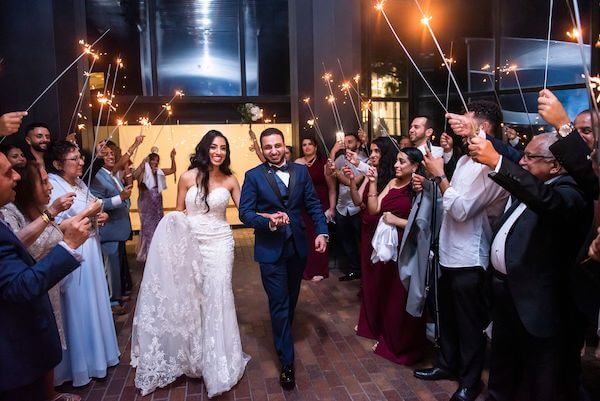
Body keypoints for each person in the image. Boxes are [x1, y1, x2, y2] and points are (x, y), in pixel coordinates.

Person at [467, 128, 592, 401]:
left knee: (542, 380)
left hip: (538, 306)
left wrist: (497, 163)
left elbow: (547, 202)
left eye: (529, 157)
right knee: (502, 367)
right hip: (507, 294)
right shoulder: (538, 182)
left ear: (555, 165)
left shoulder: (570, 193)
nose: (522, 162)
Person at [131, 130, 249, 397]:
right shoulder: (186, 177)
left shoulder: (231, 179)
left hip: (220, 243)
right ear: (205, 148)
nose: (219, 152)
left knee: (218, 295)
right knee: (194, 298)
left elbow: (245, 210)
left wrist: (265, 214)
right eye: (214, 147)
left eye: (223, 148)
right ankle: (196, 354)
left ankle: (220, 360)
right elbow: (178, 213)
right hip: (192, 243)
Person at [413, 101, 509, 401]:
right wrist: (434, 177)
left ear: (485, 128)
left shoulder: (491, 165)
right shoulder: (467, 159)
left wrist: (440, 176)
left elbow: (462, 209)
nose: (458, 126)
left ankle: (470, 382)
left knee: (470, 325)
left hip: (470, 256)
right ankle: (447, 364)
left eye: (466, 121)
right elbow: (450, 199)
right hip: (448, 251)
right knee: (448, 318)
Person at [239, 127, 328, 390]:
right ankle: (287, 362)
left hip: (298, 247)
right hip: (270, 250)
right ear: (263, 149)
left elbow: (312, 204)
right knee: (278, 303)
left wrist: (322, 231)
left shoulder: (300, 172)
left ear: (284, 146)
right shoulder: (253, 176)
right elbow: (245, 213)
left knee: (290, 300)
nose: (273, 151)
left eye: (277, 145)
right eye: (268, 147)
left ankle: (283, 331)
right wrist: (268, 221)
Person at [0, 152, 90, 401]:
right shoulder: (13, 215)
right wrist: (68, 245)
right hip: (14, 340)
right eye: (8, 173)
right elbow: (18, 285)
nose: (16, 176)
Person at [46, 141, 120, 387]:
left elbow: (90, 213)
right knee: (78, 304)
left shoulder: (79, 183)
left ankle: (99, 356)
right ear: (58, 164)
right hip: (73, 249)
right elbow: (53, 225)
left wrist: (101, 216)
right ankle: (79, 365)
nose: (81, 163)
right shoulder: (53, 184)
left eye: (80, 158)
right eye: (74, 159)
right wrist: (88, 212)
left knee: (95, 301)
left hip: (91, 245)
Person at [365, 146, 427, 365]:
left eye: (402, 162)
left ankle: (400, 344)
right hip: (387, 247)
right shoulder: (392, 183)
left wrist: (397, 221)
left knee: (400, 297)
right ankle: (386, 336)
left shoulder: (420, 188)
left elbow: (425, 225)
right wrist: (372, 182)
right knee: (386, 292)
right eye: (397, 161)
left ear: (416, 166)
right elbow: (374, 209)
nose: (396, 165)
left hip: (406, 247)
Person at [343, 137, 398, 342]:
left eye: (377, 152)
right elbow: (359, 202)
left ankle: (379, 324)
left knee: (380, 278)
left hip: (380, 231)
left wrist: (359, 164)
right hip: (366, 228)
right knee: (368, 278)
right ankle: (370, 321)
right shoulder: (370, 174)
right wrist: (351, 180)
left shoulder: (391, 178)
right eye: (372, 151)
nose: (373, 155)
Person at [90, 146, 133, 313]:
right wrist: (120, 198)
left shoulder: (109, 175)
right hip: (108, 230)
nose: (111, 157)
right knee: (110, 268)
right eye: (105, 154)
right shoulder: (97, 177)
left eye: (112, 154)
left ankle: (117, 295)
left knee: (117, 267)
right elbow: (97, 203)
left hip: (118, 229)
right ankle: (112, 302)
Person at [294, 135, 335, 281]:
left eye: (310, 144)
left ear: (316, 147)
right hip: (303, 206)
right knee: (306, 237)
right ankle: (306, 268)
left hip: (320, 205)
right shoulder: (298, 163)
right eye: (304, 144)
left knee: (320, 235)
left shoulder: (324, 164)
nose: (306, 147)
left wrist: (332, 208)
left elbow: (331, 188)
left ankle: (320, 270)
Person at [330, 132, 368, 281]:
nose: (347, 145)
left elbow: (354, 182)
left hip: (357, 206)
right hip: (341, 206)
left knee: (362, 240)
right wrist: (333, 156)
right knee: (346, 241)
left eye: (350, 142)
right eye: (345, 143)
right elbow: (329, 171)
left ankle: (365, 271)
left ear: (358, 144)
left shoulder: (365, 160)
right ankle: (354, 269)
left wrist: (338, 174)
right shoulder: (340, 159)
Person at [133, 148, 176, 262]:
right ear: (149, 160)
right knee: (147, 226)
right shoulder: (142, 173)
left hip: (157, 202)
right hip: (145, 202)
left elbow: (173, 170)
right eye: (153, 160)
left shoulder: (159, 172)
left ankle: (158, 249)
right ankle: (147, 252)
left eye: (157, 160)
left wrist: (172, 158)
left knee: (157, 224)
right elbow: (136, 178)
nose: (155, 162)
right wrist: (144, 165)